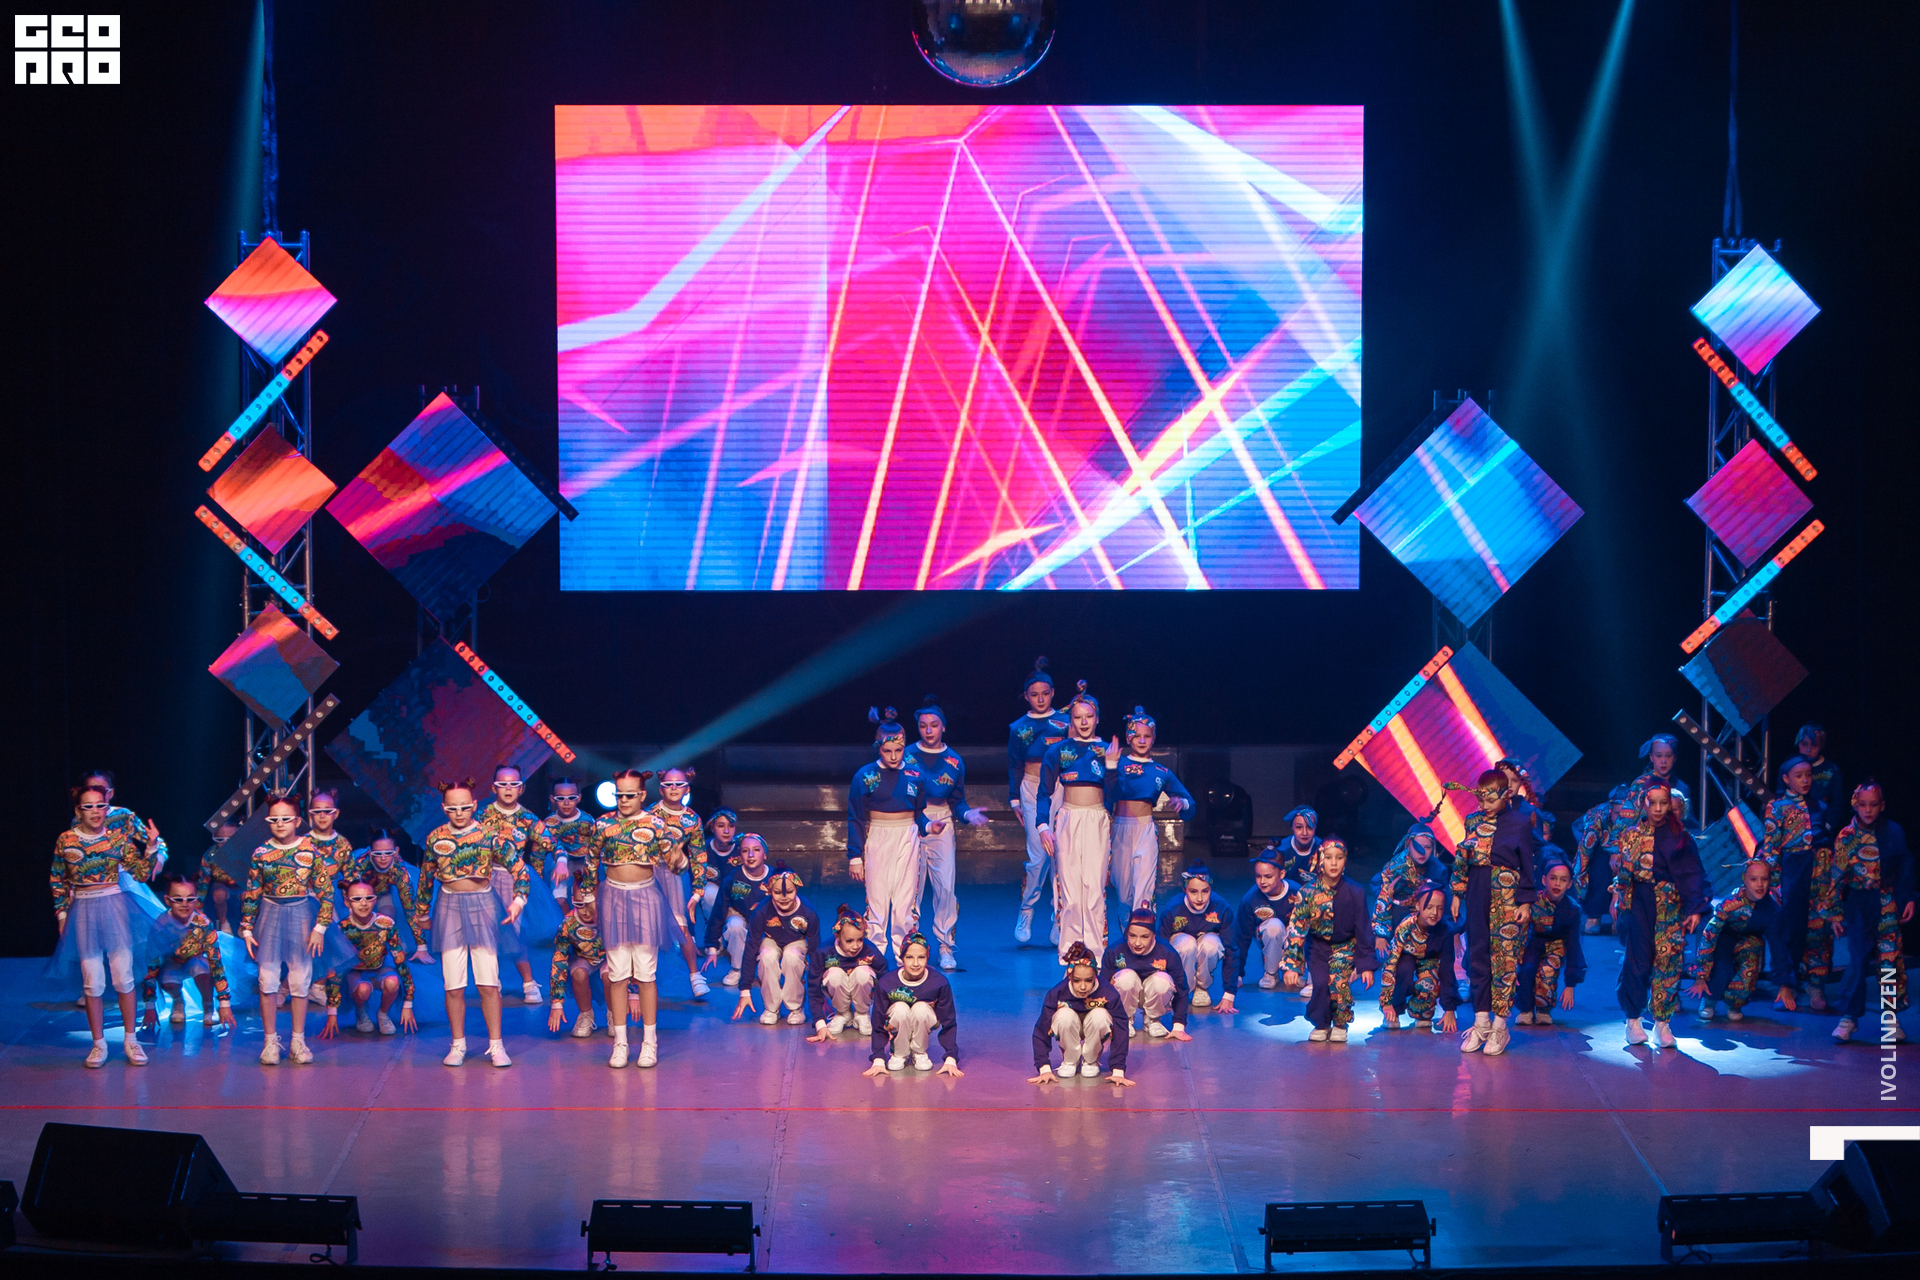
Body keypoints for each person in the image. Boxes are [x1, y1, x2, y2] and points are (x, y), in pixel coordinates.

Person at [414, 780, 527, 1069]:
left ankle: (496, 1045)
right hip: (449, 906)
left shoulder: (490, 835)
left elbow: (519, 868)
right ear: (444, 808)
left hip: (483, 906)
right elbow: (426, 878)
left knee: (488, 981)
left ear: (475, 805)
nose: (459, 813)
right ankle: (458, 1044)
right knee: (453, 984)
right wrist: (422, 913)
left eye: (465, 807)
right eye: (453, 808)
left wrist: (518, 901)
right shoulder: (436, 837)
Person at [584, 768, 685, 1068]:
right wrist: (588, 896)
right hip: (612, 898)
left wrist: (679, 859)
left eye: (630, 795)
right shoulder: (603, 824)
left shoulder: (656, 824)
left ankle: (649, 1043)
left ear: (642, 794)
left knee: (645, 973)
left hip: (645, 898)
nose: (624, 800)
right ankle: (620, 1043)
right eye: (619, 795)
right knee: (617, 973)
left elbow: (675, 864)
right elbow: (591, 862)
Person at [1450, 770, 1539, 1056]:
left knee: (1505, 957)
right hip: (1477, 889)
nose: (1485, 805)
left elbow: (1527, 863)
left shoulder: (1520, 822)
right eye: (1481, 799)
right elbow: (1463, 856)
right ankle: (1481, 1022)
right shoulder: (1473, 821)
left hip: (1507, 894)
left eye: (1490, 799)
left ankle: (1500, 1026)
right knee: (1477, 953)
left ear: (1506, 794)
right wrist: (1457, 892)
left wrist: (1525, 901)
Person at [1612, 781, 1708, 1048]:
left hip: (1670, 904)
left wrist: (1694, 909)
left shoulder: (1680, 837)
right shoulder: (1631, 835)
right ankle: (1633, 1020)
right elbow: (1624, 873)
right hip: (1639, 902)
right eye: (1652, 803)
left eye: (1663, 803)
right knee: (1637, 960)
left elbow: (1692, 874)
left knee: (1668, 960)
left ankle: (1662, 1023)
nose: (1657, 808)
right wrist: (1617, 899)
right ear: (1643, 803)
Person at [242, 794, 333, 1066]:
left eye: (286, 819)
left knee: (300, 980)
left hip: (301, 915)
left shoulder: (310, 850)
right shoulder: (260, 853)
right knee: (267, 979)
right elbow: (252, 893)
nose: (280, 824)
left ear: (296, 821)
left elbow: (326, 892)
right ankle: (270, 1041)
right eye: (274, 819)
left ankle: (297, 1041)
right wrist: (246, 928)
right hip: (269, 915)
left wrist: (320, 927)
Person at [1823, 782, 1914, 1043]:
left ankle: (1890, 1018)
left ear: (1882, 806)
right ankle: (1849, 1017)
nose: (1868, 810)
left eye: (1873, 804)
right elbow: (1837, 875)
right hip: (1859, 904)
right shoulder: (1846, 836)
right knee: (1857, 960)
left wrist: (1909, 897)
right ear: (1855, 805)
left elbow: (1905, 866)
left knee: (1889, 960)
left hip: (1887, 902)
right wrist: (1834, 912)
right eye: (1863, 804)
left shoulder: (1893, 831)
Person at [908, 696, 988, 971]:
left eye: (934, 725)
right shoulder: (906, 756)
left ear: (943, 726)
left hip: (941, 822)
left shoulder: (954, 761)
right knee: (912, 887)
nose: (928, 730)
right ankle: (910, 944)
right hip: (912, 821)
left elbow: (958, 801)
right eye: (923, 725)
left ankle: (945, 944)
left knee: (945, 887)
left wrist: (967, 815)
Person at [1035, 682, 1113, 963]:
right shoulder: (1058, 751)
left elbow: (1115, 795)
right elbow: (1043, 792)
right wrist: (1043, 826)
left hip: (1097, 819)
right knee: (1069, 890)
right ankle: (1069, 949)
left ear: (1097, 718)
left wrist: (1113, 767)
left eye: (1089, 716)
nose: (1083, 722)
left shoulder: (1107, 750)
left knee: (1094, 889)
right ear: (1071, 720)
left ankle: (1095, 952)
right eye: (1078, 717)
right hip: (1068, 818)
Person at [846, 709, 926, 963]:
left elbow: (920, 813)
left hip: (907, 838)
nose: (893, 756)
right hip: (878, 837)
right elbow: (855, 817)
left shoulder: (916, 775)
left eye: (898, 750)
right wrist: (855, 856)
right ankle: (876, 960)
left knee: (904, 904)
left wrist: (929, 826)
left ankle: (906, 960)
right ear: (878, 748)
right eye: (887, 750)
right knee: (877, 904)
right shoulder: (865, 776)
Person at [1281, 836, 1376, 1042]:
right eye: (1329, 857)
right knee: (1321, 985)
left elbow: (1363, 929)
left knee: (1338, 983)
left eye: (1339, 858)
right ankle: (1322, 1023)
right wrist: (1292, 966)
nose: (1334, 863)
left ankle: (1340, 1023)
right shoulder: (1307, 892)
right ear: (1320, 860)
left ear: (1345, 861)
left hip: (1345, 946)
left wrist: (1366, 965)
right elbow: (1297, 929)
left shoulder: (1355, 891)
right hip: (1317, 947)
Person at [481, 764, 563, 1004]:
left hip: (515, 879)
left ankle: (529, 982)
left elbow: (553, 843)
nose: (508, 789)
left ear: (521, 788)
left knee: (513, 933)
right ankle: (492, 980)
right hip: (486, 878)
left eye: (514, 784)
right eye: (503, 784)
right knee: (487, 932)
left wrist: (561, 861)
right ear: (494, 788)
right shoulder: (482, 816)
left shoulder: (527, 817)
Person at [1103, 707, 1193, 923]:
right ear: (1128, 738)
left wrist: (1182, 802)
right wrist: (1111, 767)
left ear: (1153, 738)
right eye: (1137, 736)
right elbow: (1109, 795)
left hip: (1146, 832)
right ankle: (1127, 933)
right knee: (1124, 894)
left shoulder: (1162, 771)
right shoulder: (1118, 764)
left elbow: (1190, 804)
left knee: (1143, 891)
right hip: (1120, 830)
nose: (1142, 741)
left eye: (1147, 736)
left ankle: (1143, 933)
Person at [1008, 657, 1070, 945]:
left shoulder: (1065, 722)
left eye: (1045, 693)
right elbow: (1014, 764)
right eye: (1034, 694)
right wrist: (1014, 799)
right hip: (1032, 790)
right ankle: (1027, 909)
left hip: (1061, 789)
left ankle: (1060, 917)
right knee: (1038, 856)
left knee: (1062, 856)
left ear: (1053, 693)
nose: (1041, 699)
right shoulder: (1018, 727)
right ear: (1026, 696)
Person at [138, 872, 238, 1034]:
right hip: (172, 964)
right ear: (167, 900)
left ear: (196, 900)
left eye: (190, 899)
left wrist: (224, 1003)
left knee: (203, 969)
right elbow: (151, 965)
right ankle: (178, 1001)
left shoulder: (203, 924)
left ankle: (208, 1005)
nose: (185, 904)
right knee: (167, 980)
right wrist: (150, 1006)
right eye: (178, 899)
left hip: (196, 961)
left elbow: (216, 962)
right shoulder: (161, 925)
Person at [1763, 756, 1826, 1011]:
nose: (1805, 780)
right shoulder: (1777, 807)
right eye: (1799, 776)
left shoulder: (1819, 805)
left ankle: (1815, 983)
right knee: (1788, 929)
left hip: (1817, 871)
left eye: (1808, 775)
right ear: (1786, 778)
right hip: (1790, 869)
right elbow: (1771, 847)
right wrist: (1774, 883)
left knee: (1817, 928)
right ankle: (1785, 985)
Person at [1689, 859, 1786, 1022]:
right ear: (1744, 879)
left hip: (1749, 942)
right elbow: (1709, 935)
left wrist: (1785, 984)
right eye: (1753, 879)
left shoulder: (1772, 910)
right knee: (1722, 971)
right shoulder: (1731, 903)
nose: (1759, 884)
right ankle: (1709, 1000)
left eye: (1764, 879)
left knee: (1748, 971)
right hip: (1723, 939)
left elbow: (1778, 946)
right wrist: (1701, 975)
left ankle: (1734, 1004)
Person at [320, 880, 417, 1038]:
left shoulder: (386, 924)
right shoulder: (342, 928)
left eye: (369, 898)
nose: (363, 903)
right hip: (354, 973)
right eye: (357, 899)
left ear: (375, 900)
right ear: (347, 902)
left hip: (380, 968)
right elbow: (335, 971)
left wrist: (408, 1002)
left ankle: (383, 1014)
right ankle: (361, 1011)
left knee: (393, 982)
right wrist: (332, 1012)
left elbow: (400, 962)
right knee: (363, 989)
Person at [648, 767, 713, 998]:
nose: (674, 788)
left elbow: (698, 855)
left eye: (679, 784)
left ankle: (695, 975)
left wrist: (698, 891)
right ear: (660, 789)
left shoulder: (692, 819)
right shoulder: (650, 813)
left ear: (687, 788)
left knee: (680, 924)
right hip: (648, 872)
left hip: (674, 874)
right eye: (668, 784)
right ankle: (639, 982)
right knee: (646, 927)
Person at [1029, 942, 1132, 1084]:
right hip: (1070, 1026)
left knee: (1100, 1015)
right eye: (1077, 981)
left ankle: (1090, 1060)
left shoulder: (1108, 993)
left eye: (1089, 980)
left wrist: (1118, 1070)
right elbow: (1041, 1030)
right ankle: (1070, 1060)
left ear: (1095, 975)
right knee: (1064, 1015)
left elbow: (1121, 1029)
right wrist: (1044, 1068)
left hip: (1095, 1026)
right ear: (1069, 976)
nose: (1083, 986)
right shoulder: (1057, 993)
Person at [731, 863, 817, 1027]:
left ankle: (795, 1007)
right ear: (769, 890)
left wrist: (818, 988)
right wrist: (745, 990)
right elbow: (751, 947)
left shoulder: (808, 912)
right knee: (767, 957)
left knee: (792, 958)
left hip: (796, 940)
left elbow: (815, 950)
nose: (784, 897)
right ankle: (771, 1008)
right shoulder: (761, 911)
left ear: (796, 889)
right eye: (777, 893)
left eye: (789, 892)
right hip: (772, 938)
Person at [864, 934, 961, 1075]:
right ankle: (899, 1053)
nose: (915, 963)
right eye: (909, 957)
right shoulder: (887, 983)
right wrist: (878, 1058)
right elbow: (878, 1022)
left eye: (921, 957)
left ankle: (919, 1052)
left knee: (921, 1008)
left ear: (927, 957)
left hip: (924, 1018)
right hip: (896, 1020)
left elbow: (949, 1022)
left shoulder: (939, 982)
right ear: (902, 957)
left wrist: (950, 1058)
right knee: (900, 1008)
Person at [1155, 863, 1239, 1012]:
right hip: (1182, 945)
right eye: (1193, 891)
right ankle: (1180, 990)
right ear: (1184, 890)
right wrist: (1159, 991)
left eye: (1205, 891)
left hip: (1207, 942)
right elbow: (1159, 948)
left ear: (1211, 889)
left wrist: (1229, 994)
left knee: (1211, 944)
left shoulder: (1222, 909)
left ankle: (1202, 988)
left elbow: (1231, 949)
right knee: (1187, 944)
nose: (1200, 898)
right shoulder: (1172, 909)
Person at [1513, 858, 1586, 1025]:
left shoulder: (1573, 909)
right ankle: (1525, 1009)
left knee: (1547, 972)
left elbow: (1574, 945)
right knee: (1526, 970)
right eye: (1553, 878)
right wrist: (1515, 961)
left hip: (1557, 945)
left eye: (1563, 880)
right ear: (1544, 880)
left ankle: (1543, 1009)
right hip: (1534, 942)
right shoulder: (1533, 901)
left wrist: (1570, 984)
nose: (1557, 883)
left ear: (1569, 884)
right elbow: (1521, 933)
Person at [1102, 908, 1191, 1040]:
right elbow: (1102, 986)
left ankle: (1152, 1020)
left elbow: (1182, 989)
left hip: (1153, 993)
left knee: (1162, 981)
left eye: (1144, 937)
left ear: (1153, 936)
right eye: (1132, 936)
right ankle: (1124, 1020)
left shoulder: (1167, 952)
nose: (1137, 943)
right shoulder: (1115, 950)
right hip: (1127, 993)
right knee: (1125, 978)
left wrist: (1179, 1026)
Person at [1379, 887, 1459, 1033]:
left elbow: (1447, 970)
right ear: (1418, 906)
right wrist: (1386, 1002)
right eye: (1429, 907)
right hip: (1405, 960)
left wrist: (1450, 1008)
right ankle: (1394, 1009)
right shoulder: (1405, 927)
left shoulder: (1446, 930)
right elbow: (1391, 963)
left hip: (1428, 961)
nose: (1434, 913)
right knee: (1403, 968)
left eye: (1440, 908)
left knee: (1431, 975)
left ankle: (1421, 1011)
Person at [703, 833, 773, 987]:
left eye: (756, 850)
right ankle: (737, 968)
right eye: (745, 851)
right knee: (734, 924)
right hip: (743, 920)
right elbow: (718, 912)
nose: (751, 855)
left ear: (765, 854)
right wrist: (712, 946)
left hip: (768, 927)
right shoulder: (732, 878)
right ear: (740, 855)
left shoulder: (774, 878)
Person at [1370, 822, 1448, 959]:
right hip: (1400, 902)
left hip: (1425, 906)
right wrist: (1380, 934)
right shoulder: (1397, 866)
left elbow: (1443, 901)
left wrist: (1454, 932)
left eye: (1427, 847)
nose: (1422, 852)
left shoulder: (1438, 870)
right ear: (1408, 845)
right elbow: (1384, 896)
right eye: (1417, 847)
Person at [807, 905, 883, 1039]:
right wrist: (820, 1024)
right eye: (849, 941)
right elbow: (814, 989)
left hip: (863, 993)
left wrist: (884, 1019)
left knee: (862, 973)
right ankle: (843, 1014)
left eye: (860, 939)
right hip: (838, 992)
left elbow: (885, 982)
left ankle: (862, 1014)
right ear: (837, 936)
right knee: (834, 974)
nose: (856, 946)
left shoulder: (870, 950)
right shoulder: (824, 952)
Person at [548, 882, 610, 1039]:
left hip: (610, 959)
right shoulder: (567, 925)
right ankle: (585, 1014)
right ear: (572, 900)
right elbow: (559, 961)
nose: (585, 910)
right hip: (584, 959)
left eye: (590, 904)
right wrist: (556, 1002)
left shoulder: (610, 918)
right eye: (579, 904)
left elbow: (628, 951)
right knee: (578, 973)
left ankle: (615, 1014)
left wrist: (633, 993)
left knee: (610, 974)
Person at [346, 831, 420, 956]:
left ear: (396, 852)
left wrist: (421, 946)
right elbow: (350, 895)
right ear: (370, 853)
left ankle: (393, 940)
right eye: (378, 853)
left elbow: (409, 908)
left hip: (381, 893)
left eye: (388, 853)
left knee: (388, 915)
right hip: (356, 895)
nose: (383, 858)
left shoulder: (399, 869)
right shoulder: (358, 864)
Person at [1234, 850, 1300, 991]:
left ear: (1282, 874)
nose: (1262, 881)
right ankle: (1271, 973)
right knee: (1274, 926)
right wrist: (1237, 974)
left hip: (1294, 940)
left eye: (1268, 876)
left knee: (1300, 929)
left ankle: (1296, 971)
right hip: (1268, 937)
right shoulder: (1250, 899)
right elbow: (1242, 937)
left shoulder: (1297, 892)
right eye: (1258, 876)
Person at [542, 776, 596, 905]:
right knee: (558, 895)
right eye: (560, 798)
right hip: (559, 862)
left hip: (584, 861)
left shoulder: (587, 820)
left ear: (579, 798)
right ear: (552, 799)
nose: (566, 803)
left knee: (584, 898)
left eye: (571, 798)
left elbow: (596, 845)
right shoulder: (549, 823)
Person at [1794, 723, 1846, 835]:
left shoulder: (1831, 770)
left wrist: (1827, 826)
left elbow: (1837, 803)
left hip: (1821, 829)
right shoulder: (1789, 767)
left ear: (1821, 746)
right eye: (1804, 744)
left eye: (1814, 745)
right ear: (1798, 743)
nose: (1808, 749)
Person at [198, 821, 241, 934]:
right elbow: (203, 881)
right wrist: (198, 906)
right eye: (220, 840)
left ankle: (247, 924)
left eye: (231, 839)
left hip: (244, 886)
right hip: (223, 886)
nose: (226, 843)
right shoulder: (210, 856)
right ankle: (223, 924)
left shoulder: (248, 852)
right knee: (219, 893)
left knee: (247, 894)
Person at [1274, 806, 1323, 881]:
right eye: (1299, 827)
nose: (1304, 833)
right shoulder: (1280, 851)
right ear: (1292, 827)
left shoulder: (1323, 848)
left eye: (1310, 827)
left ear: (1315, 827)